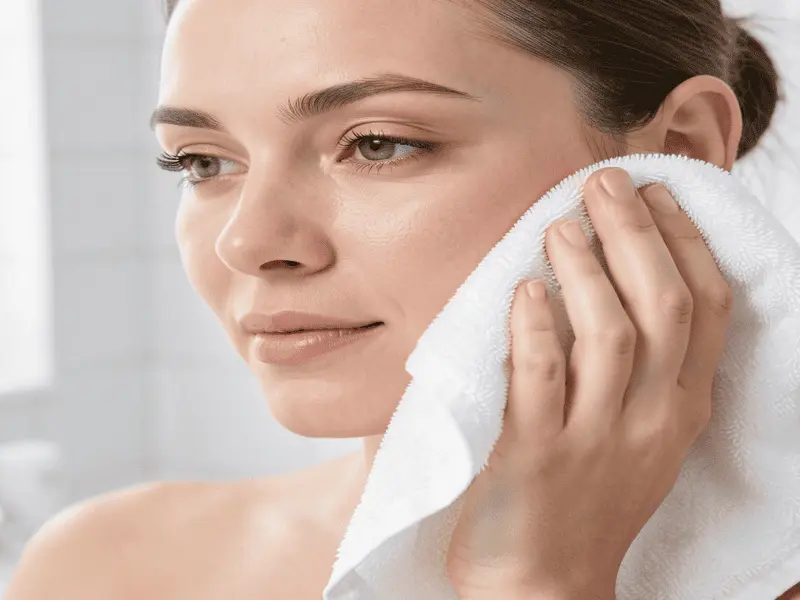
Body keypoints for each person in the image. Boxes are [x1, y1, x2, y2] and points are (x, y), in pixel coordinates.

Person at [6, 0, 799, 598]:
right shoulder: (103, 567)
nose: (246, 242)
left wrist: (533, 583)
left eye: (378, 144)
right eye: (203, 163)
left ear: (680, 151)